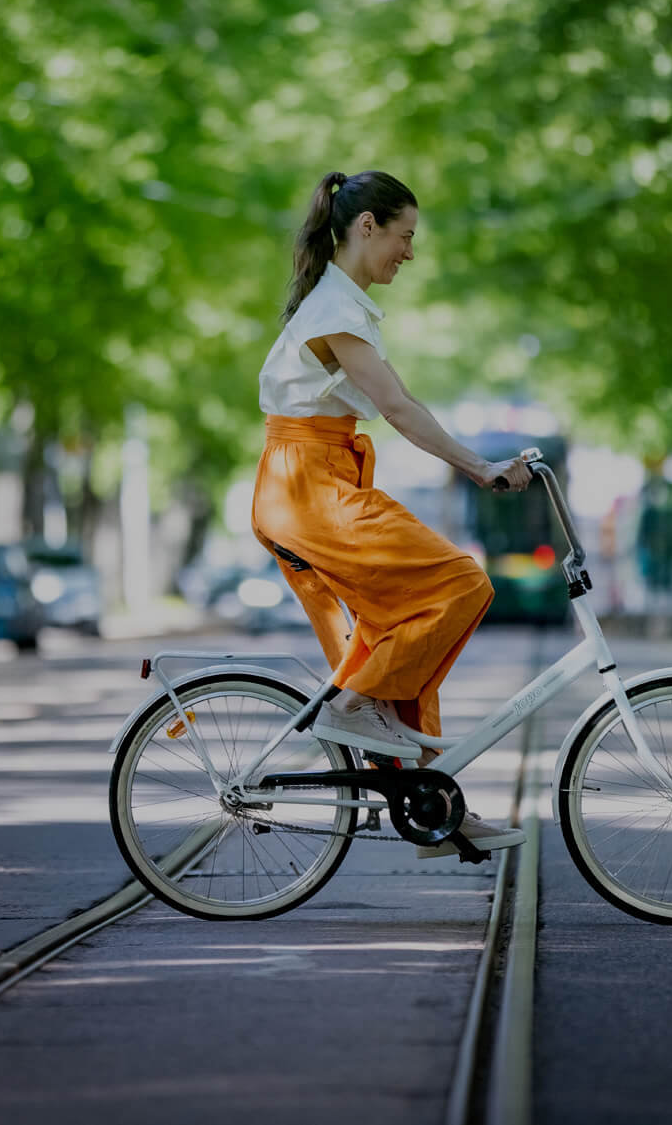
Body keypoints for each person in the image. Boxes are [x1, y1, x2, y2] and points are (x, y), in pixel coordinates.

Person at [250, 170, 533, 857]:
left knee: (402, 629)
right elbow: (400, 408)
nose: (410, 252)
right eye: (404, 236)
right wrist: (480, 466)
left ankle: (433, 807)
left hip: (317, 481)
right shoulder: (333, 314)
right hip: (310, 489)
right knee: (461, 581)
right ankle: (351, 705)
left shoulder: (337, 305)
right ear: (367, 226)